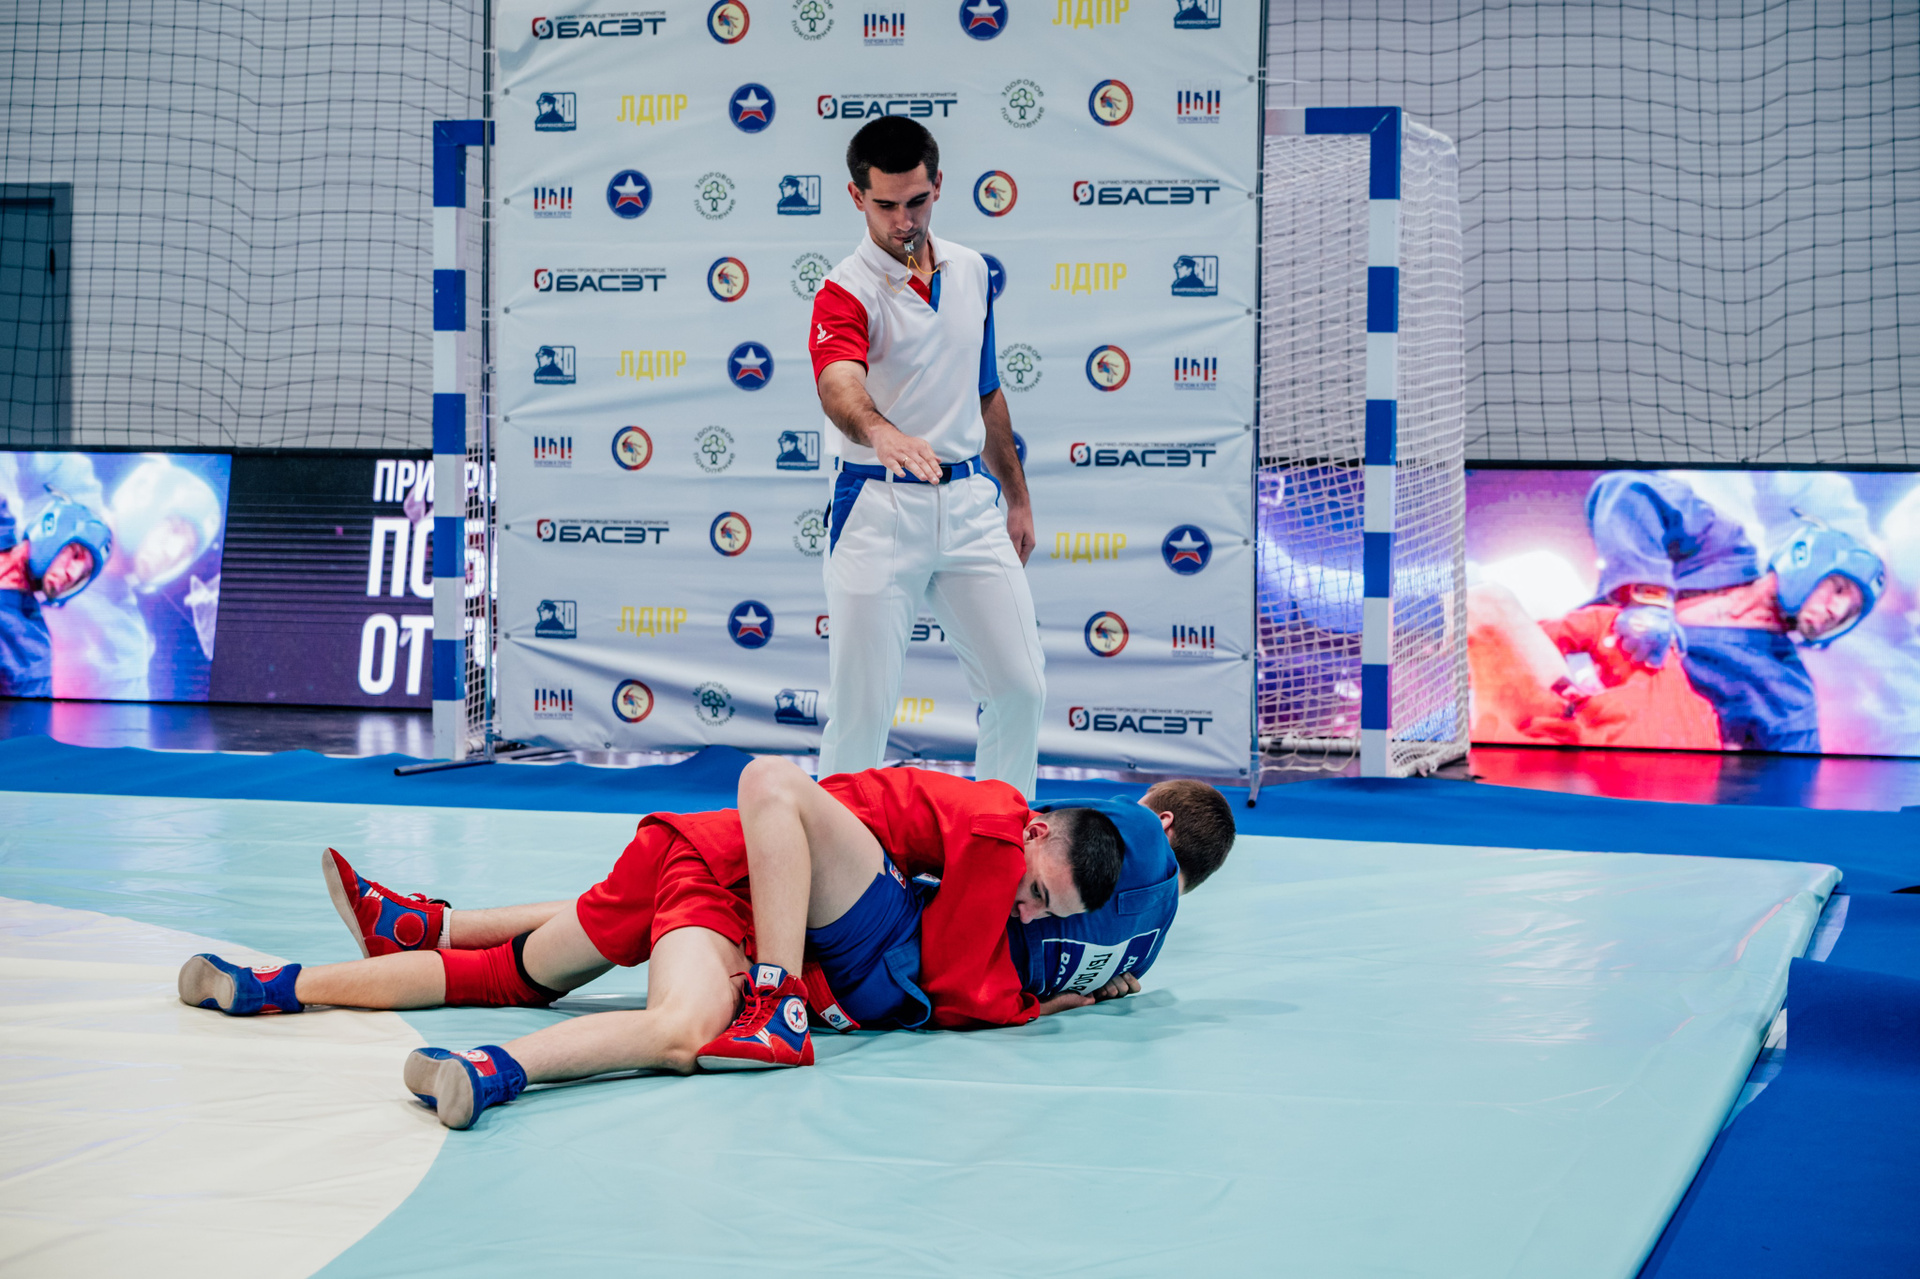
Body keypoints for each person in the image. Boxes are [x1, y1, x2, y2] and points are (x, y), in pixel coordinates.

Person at [178, 764, 1236, 1130]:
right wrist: (779, 985)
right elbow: (780, 801)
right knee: (681, 1025)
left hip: (709, 857)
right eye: (1038, 894)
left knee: (504, 970)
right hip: (719, 877)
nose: (1036, 916)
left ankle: (279, 981)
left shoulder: (1022, 847)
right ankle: (491, 1069)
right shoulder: (985, 828)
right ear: (1035, 837)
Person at [808, 116, 1045, 797]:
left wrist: (1017, 497)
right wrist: (880, 432)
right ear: (857, 197)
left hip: (969, 503)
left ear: (938, 185)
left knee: (1020, 689)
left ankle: (1001, 841)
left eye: (917, 201)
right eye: (886, 205)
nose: (904, 220)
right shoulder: (844, 289)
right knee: (861, 714)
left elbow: (986, 388)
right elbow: (838, 382)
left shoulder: (972, 271)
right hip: (878, 506)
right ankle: (836, 858)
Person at [0, 491, 113, 697]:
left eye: (83, 574)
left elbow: (26, 715)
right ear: (50, 527)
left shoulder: (31, 650)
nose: (73, 574)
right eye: (76, 555)